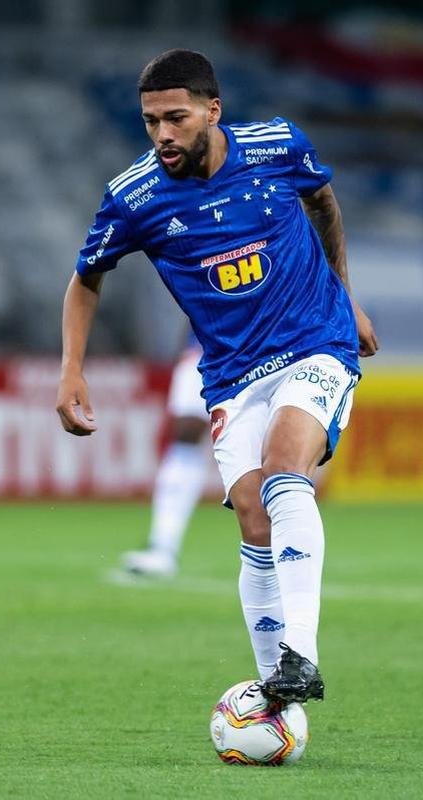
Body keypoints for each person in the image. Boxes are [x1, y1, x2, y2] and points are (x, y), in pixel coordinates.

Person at [56, 49, 379, 704]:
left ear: (212, 110)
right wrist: (70, 371)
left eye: (175, 118)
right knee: (254, 520)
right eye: (150, 122)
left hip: (313, 342)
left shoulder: (277, 146)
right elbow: (85, 278)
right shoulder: (134, 196)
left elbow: (322, 201)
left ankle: (301, 656)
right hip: (231, 374)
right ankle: (276, 693)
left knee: (286, 462)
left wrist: (346, 295)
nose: (162, 136)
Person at [121, 340, 209, 579]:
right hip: (206, 345)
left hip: (254, 343)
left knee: (264, 447)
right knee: (185, 438)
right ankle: (163, 546)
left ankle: (280, 553)